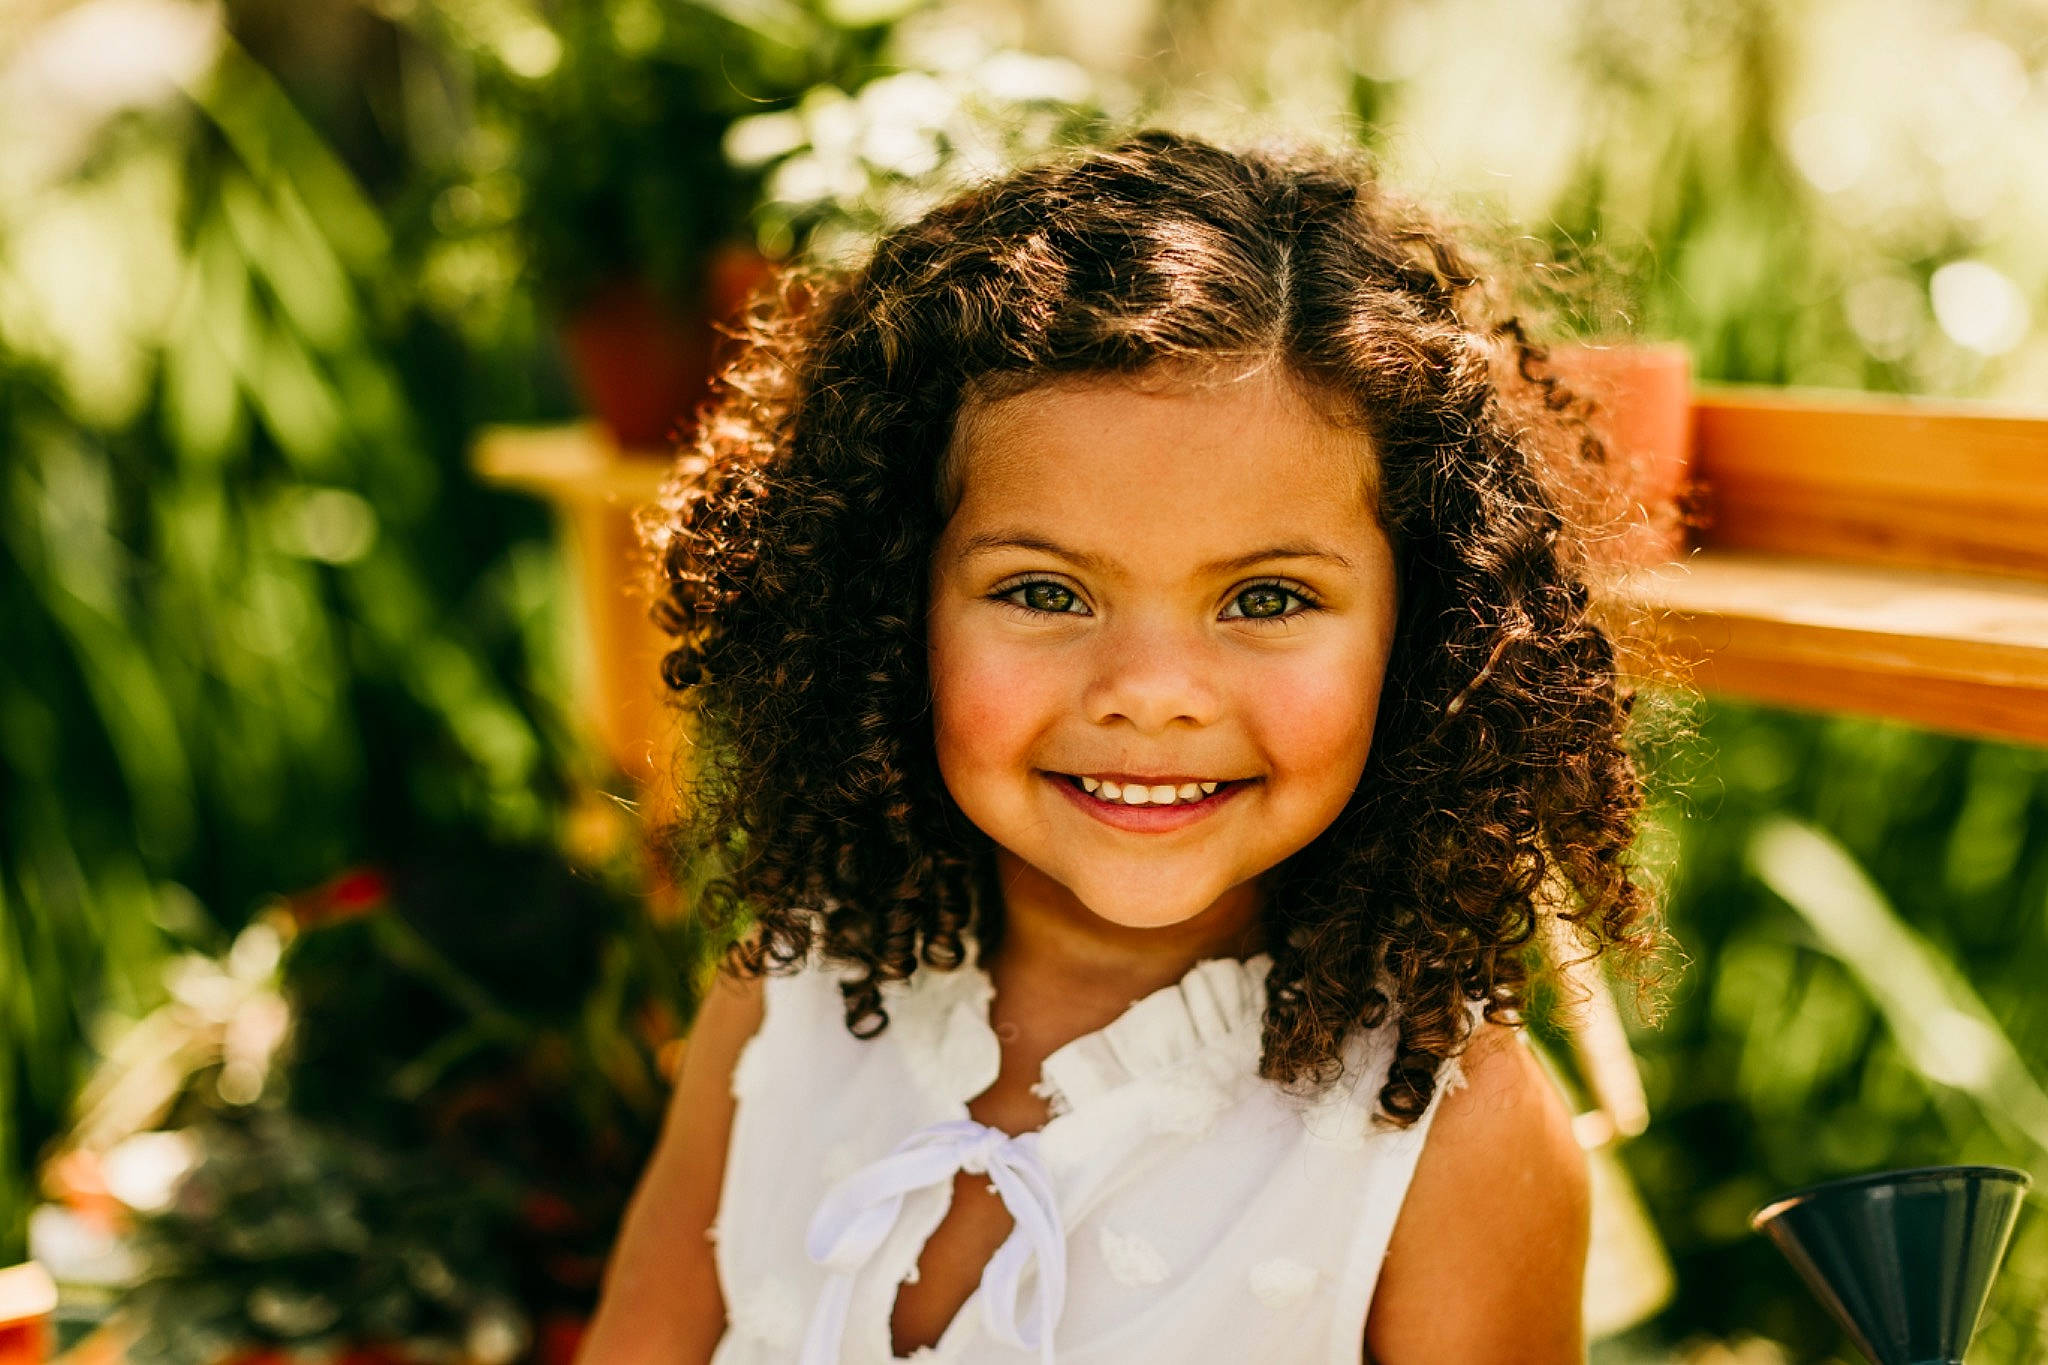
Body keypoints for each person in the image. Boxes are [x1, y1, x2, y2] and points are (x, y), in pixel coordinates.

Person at [579, 129, 1666, 1364]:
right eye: (1043, 592)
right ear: (889, 609)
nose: (1149, 696)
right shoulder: (789, 996)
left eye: (1265, 598)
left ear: (1421, 633)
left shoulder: (1445, 1134)